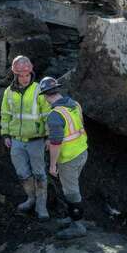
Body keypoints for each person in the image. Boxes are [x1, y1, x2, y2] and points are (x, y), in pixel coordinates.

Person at [38, 75, 89, 239]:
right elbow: (75, 128)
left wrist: (53, 165)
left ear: (45, 96)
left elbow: (56, 143)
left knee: (71, 192)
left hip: (68, 159)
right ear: (57, 90)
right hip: (82, 151)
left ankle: (77, 225)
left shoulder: (54, 115)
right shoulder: (74, 104)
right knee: (73, 188)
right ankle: (74, 217)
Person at [1, 56, 50, 220]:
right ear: (15, 75)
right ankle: (31, 199)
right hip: (16, 141)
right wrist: (6, 134)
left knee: (39, 173)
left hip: (36, 140)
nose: (24, 79)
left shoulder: (38, 90)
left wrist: (49, 137)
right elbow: (5, 115)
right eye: (20, 76)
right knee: (22, 172)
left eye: (26, 75)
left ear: (31, 73)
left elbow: (47, 115)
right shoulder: (8, 92)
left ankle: (41, 206)